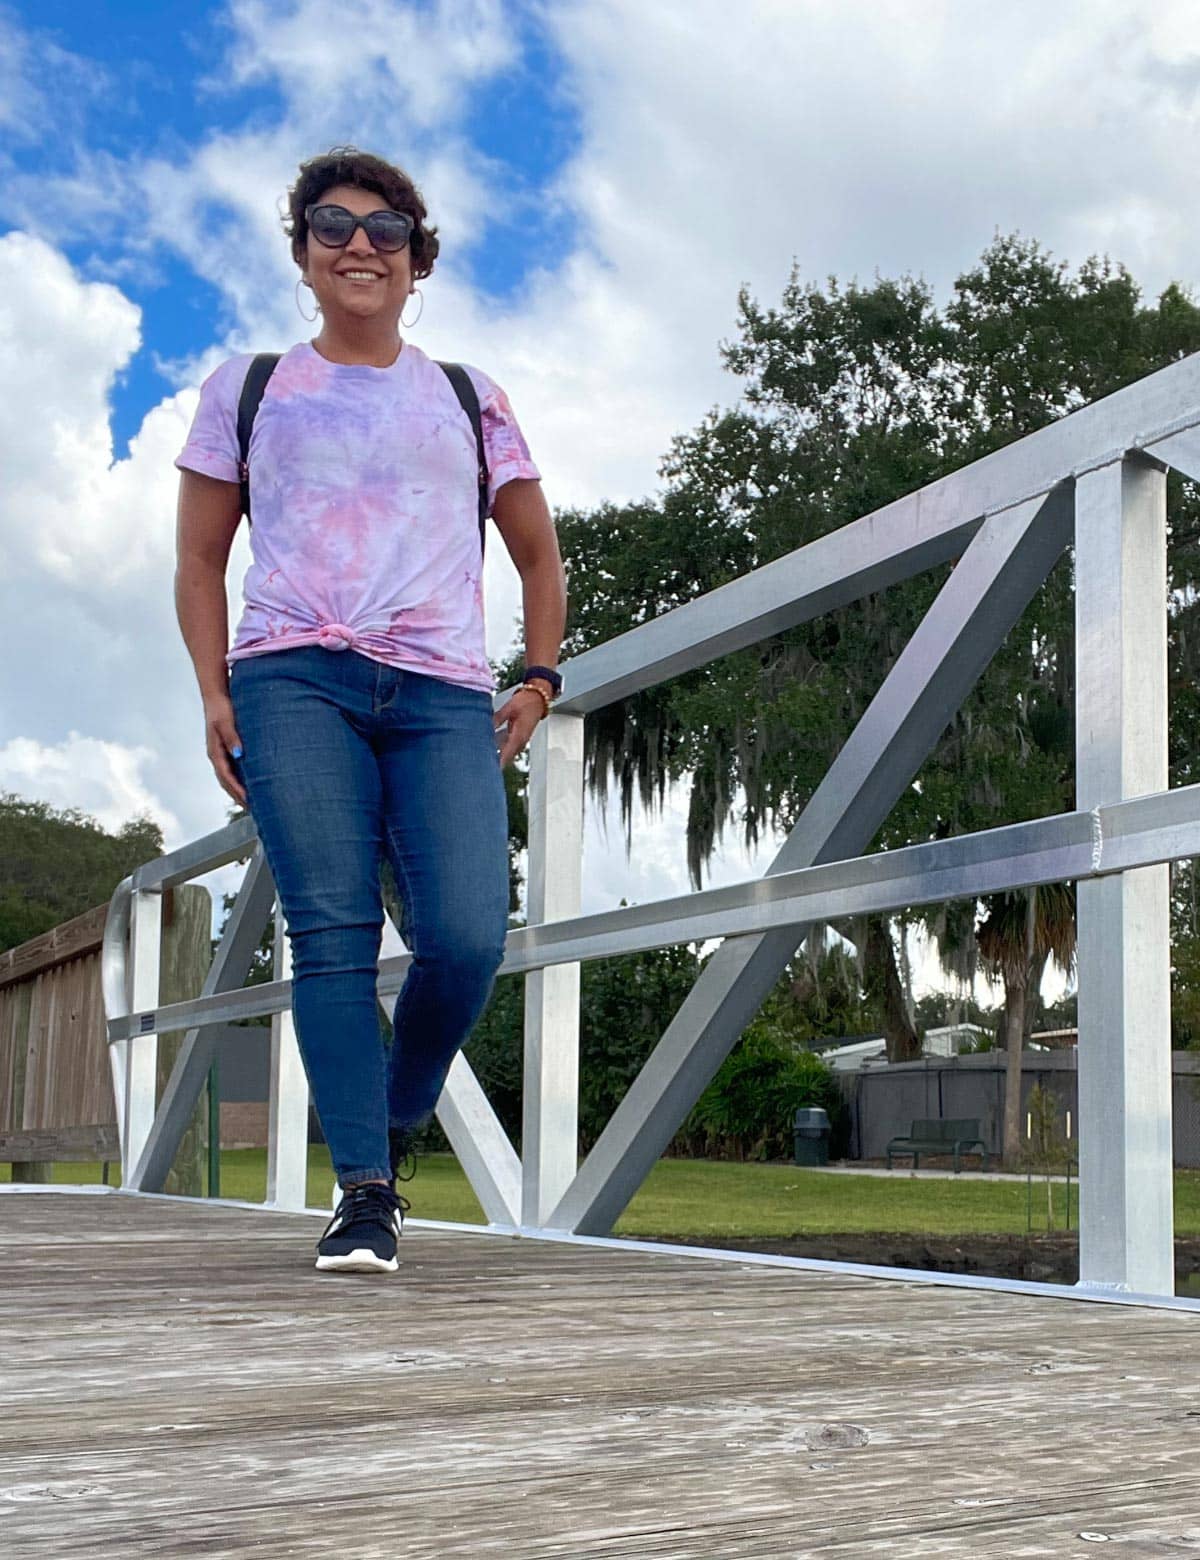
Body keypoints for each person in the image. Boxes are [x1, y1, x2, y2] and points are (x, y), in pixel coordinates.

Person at [173, 147, 567, 1274]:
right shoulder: (247, 389)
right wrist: (213, 689)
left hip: (443, 689)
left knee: (464, 937)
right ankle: (365, 1191)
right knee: (332, 933)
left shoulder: (468, 396)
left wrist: (538, 678)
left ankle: (394, 1102)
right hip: (291, 678)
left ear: (415, 258)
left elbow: (538, 556)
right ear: (303, 254)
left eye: (385, 228)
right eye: (333, 225)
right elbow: (201, 562)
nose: (360, 243)